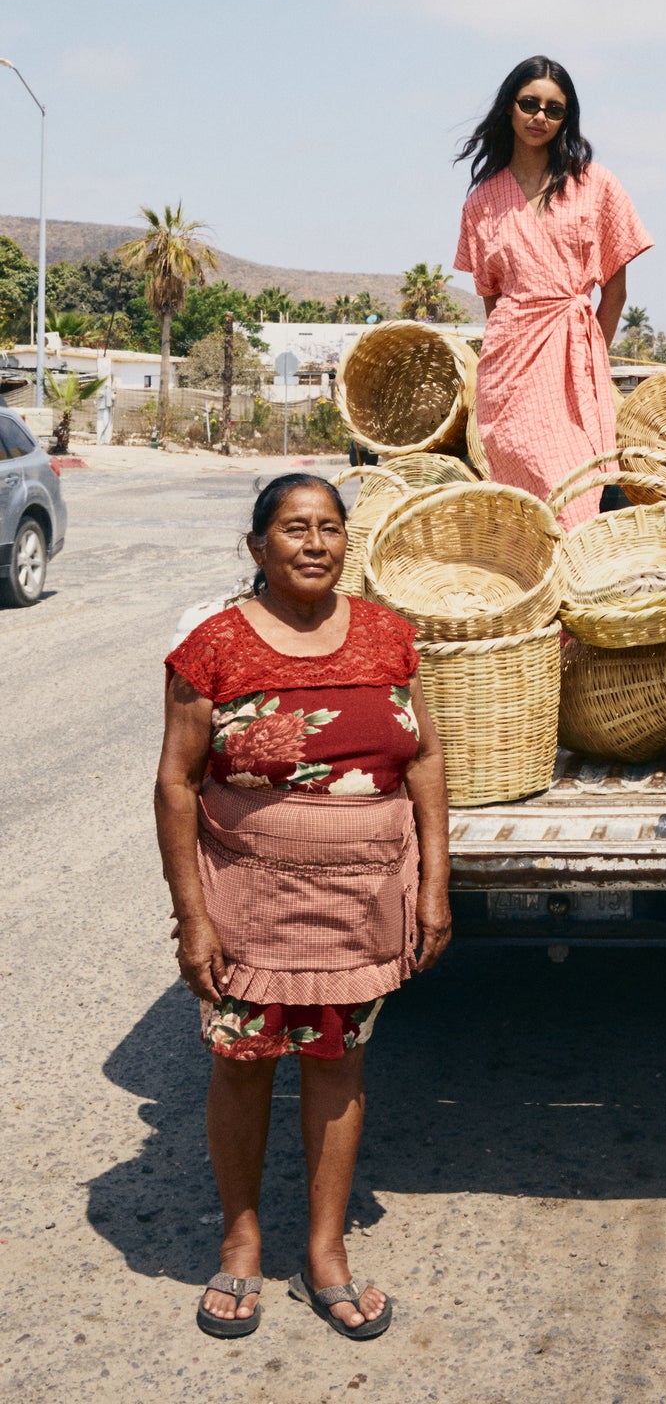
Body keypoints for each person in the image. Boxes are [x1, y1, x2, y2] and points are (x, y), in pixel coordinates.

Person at [154, 474, 452, 1343]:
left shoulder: (390, 638)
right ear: (257, 548)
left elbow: (425, 757)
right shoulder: (210, 648)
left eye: (329, 528)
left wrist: (436, 881)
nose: (315, 543)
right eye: (293, 528)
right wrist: (192, 916)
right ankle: (242, 1240)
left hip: (361, 898)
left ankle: (326, 1254)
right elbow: (176, 782)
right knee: (244, 1059)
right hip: (249, 897)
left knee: (336, 1062)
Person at [454, 55, 652, 528]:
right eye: (529, 103)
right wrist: (520, 341)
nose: (540, 116)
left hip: (576, 359)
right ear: (509, 108)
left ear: (567, 117)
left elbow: (616, 291)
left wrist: (590, 355)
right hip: (510, 367)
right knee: (526, 480)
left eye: (554, 108)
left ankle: (575, 585)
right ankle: (538, 586)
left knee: (577, 478)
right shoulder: (482, 200)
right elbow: (491, 298)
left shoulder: (595, 184)